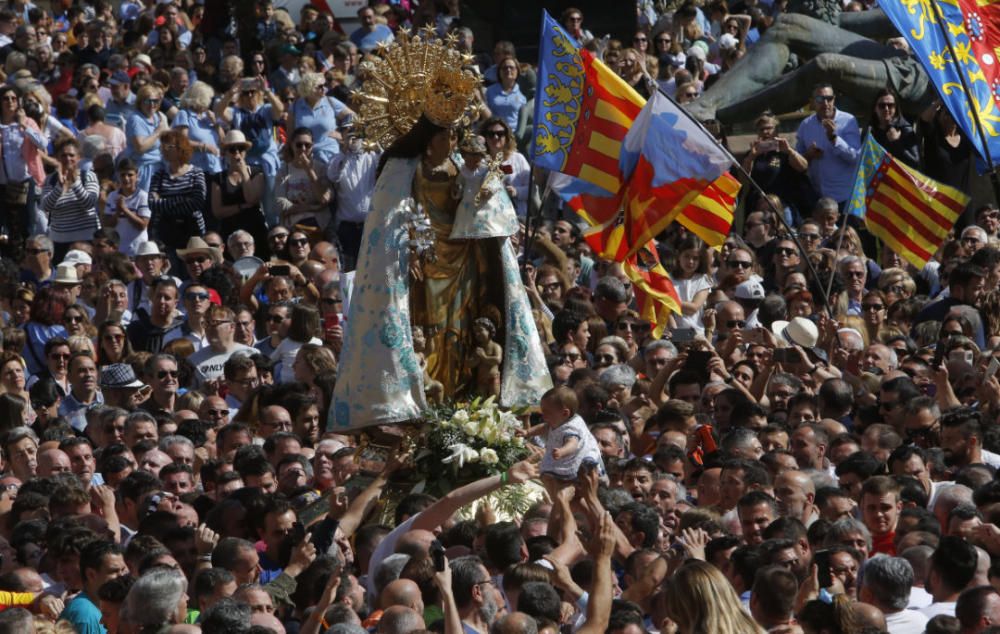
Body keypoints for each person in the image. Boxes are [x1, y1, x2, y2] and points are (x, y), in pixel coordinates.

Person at [794, 83, 861, 206]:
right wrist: (808, 155)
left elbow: (855, 158)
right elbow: (797, 161)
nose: (825, 103)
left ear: (834, 99)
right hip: (816, 197)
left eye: (829, 99)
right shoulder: (806, 125)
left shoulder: (848, 121)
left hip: (843, 197)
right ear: (812, 102)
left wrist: (834, 139)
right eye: (820, 99)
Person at [149, 130, 208, 258]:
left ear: (181, 148)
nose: (164, 150)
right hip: (164, 234)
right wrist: (184, 200)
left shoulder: (196, 173)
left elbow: (197, 202)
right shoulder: (158, 175)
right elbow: (153, 204)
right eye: (162, 146)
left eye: (169, 146)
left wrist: (165, 202)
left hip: (192, 232)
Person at [211, 130, 269, 257]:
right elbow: (218, 211)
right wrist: (241, 207)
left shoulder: (256, 172)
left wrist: (243, 173)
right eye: (232, 149)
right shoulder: (218, 179)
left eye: (241, 149)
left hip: (254, 230)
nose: (237, 153)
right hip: (230, 232)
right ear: (225, 153)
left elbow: (251, 198)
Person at [41, 137, 100, 260]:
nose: (68, 158)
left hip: (85, 239)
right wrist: (59, 188)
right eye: (63, 155)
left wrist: (75, 184)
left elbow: (89, 203)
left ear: (79, 157)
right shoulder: (50, 180)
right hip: (59, 241)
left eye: (71, 155)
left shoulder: (88, 176)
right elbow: (45, 206)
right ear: (57, 157)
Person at [103, 158, 151, 257]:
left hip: (137, 251)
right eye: (123, 175)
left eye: (130, 175)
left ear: (137, 175)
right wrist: (117, 213)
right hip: (118, 252)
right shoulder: (112, 196)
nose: (126, 178)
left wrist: (125, 210)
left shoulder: (142, 196)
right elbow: (107, 225)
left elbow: (142, 225)